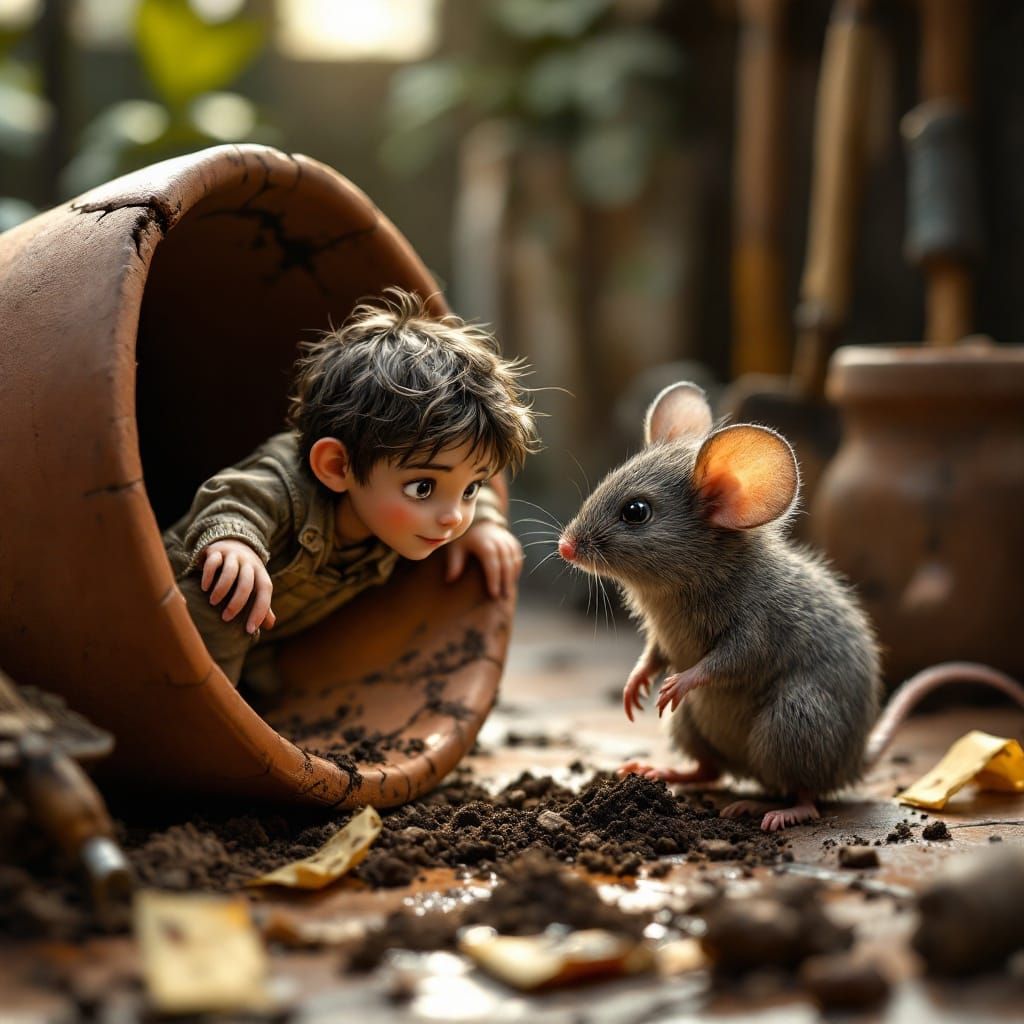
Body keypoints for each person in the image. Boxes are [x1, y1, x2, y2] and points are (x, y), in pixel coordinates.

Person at [163, 288, 538, 688]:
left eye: (471, 488)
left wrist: (485, 522)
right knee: (229, 596)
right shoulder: (286, 484)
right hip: (165, 617)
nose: (452, 516)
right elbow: (238, 497)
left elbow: (462, 482)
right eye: (424, 488)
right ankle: (210, 712)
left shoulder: (394, 508)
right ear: (336, 466)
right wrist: (236, 544)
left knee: (275, 676)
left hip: (270, 638)